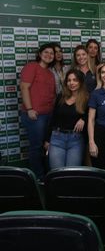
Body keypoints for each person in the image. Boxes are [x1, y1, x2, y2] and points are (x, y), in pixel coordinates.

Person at [20, 43, 56, 180]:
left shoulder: (50, 73)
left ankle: (46, 173)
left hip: (48, 114)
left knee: (45, 146)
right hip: (35, 115)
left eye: (51, 53)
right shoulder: (31, 67)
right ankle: (38, 177)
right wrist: (29, 109)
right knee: (36, 146)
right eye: (46, 52)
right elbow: (24, 87)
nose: (49, 55)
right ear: (40, 54)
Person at [45, 69, 88, 169]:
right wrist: (47, 139)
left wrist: (83, 119)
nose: (71, 83)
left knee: (71, 174)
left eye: (75, 80)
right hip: (56, 139)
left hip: (76, 141)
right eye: (69, 80)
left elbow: (93, 116)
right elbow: (53, 118)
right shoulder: (61, 97)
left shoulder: (86, 98)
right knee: (57, 173)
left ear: (80, 82)